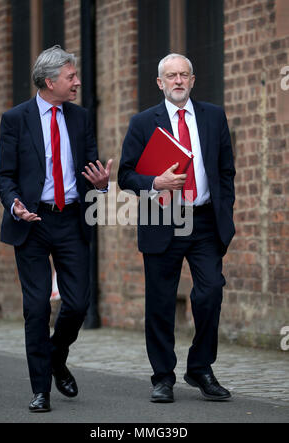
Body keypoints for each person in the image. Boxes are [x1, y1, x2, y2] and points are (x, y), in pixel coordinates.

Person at [0, 45, 112, 412]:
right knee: (36, 308)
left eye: (75, 76)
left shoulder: (80, 117)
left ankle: (56, 357)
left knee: (77, 304)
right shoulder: (15, 119)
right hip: (31, 220)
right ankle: (40, 389)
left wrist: (103, 183)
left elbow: (91, 169)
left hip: (70, 219)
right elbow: (4, 176)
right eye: (70, 77)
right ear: (50, 81)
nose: (77, 82)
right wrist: (14, 204)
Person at [118, 54, 236, 403]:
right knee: (160, 301)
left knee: (211, 290)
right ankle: (162, 377)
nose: (178, 81)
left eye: (184, 75)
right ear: (160, 83)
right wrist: (156, 181)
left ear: (193, 80)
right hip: (161, 218)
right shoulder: (143, 123)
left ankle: (199, 366)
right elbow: (125, 175)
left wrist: (223, 209)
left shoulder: (213, 117)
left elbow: (226, 170)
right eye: (171, 76)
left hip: (202, 221)